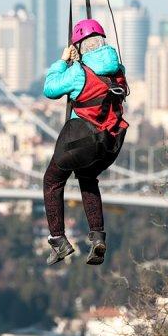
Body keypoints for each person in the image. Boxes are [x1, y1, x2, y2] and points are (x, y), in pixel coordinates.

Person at [42, 18, 128, 266]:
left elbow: (50, 89)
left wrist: (62, 61)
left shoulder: (79, 72)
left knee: (52, 181)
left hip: (82, 140)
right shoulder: (118, 70)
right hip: (110, 143)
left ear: (79, 47)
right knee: (88, 179)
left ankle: (58, 241)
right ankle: (98, 236)